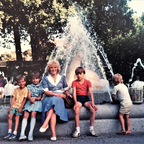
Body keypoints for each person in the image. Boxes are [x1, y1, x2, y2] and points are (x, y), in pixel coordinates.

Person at [39, 60, 70, 141]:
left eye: (55, 67)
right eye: (51, 67)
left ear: (57, 68)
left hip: (59, 99)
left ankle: (46, 123)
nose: (53, 69)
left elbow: (66, 89)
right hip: (49, 98)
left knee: (54, 104)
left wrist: (68, 94)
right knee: (53, 110)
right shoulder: (45, 78)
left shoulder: (62, 77)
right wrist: (58, 94)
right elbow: (46, 92)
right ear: (49, 69)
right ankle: (53, 133)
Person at [72, 67, 98, 138]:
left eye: (80, 74)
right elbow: (74, 93)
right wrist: (75, 102)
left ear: (84, 74)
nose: (79, 75)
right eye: (77, 74)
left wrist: (92, 103)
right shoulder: (74, 82)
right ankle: (77, 130)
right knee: (76, 110)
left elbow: (91, 93)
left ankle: (91, 129)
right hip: (79, 99)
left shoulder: (88, 82)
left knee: (92, 109)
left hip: (86, 98)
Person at [19, 72, 43, 141]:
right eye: (33, 79)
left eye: (36, 78)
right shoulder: (29, 86)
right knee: (25, 114)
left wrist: (35, 99)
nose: (35, 80)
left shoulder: (41, 86)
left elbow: (40, 97)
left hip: (37, 102)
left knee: (33, 113)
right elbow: (28, 94)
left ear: (39, 79)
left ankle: (30, 133)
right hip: (30, 101)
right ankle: (22, 133)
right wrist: (30, 99)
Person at [4, 75, 28, 141]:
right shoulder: (16, 89)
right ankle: (9, 132)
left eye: (23, 81)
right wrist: (11, 107)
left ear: (25, 82)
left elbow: (24, 100)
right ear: (17, 83)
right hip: (14, 106)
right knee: (9, 116)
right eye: (19, 82)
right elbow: (13, 99)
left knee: (17, 117)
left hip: (20, 106)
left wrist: (21, 107)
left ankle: (15, 132)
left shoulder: (26, 89)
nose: (21, 83)